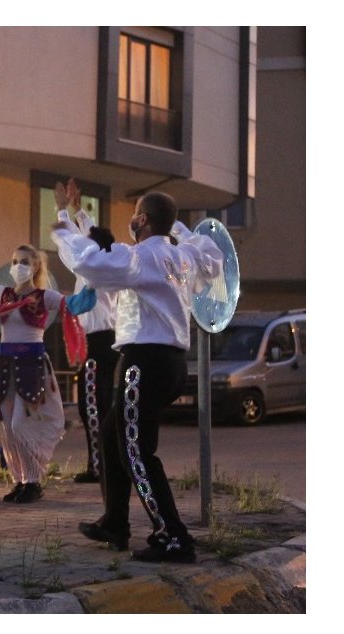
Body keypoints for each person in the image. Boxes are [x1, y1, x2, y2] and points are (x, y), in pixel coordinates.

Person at [51, 188, 222, 563]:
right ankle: (115, 522)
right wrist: (180, 228)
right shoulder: (184, 256)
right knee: (116, 437)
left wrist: (64, 225)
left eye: (135, 214)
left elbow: (90, 262)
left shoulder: (142, 256)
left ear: (142, 220)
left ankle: (173, 537)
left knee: (136, 450)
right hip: (171, 361)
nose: (131, 219)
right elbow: (213, 253)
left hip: (144, 362)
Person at [0, 240, 96, 504]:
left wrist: (92, 280)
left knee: (23, 423)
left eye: (24, 262)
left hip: (32, 365)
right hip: (6, 364)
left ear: (35, 268)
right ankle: (21, 480)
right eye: (14, 261)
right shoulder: (3, 294)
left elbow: (76, 305)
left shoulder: (45, 296)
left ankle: (34, 480)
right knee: (8, 427)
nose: (18, 266)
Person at [54, 180, 119, 484]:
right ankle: (104, 464)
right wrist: (76, 209)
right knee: (98, 404)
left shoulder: (93, 269)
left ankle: (100, 466)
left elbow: (73, 249)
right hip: (100, 342)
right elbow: (89, 237)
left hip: (98, 343)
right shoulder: (104, 264)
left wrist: (62, 215)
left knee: (93, 406)